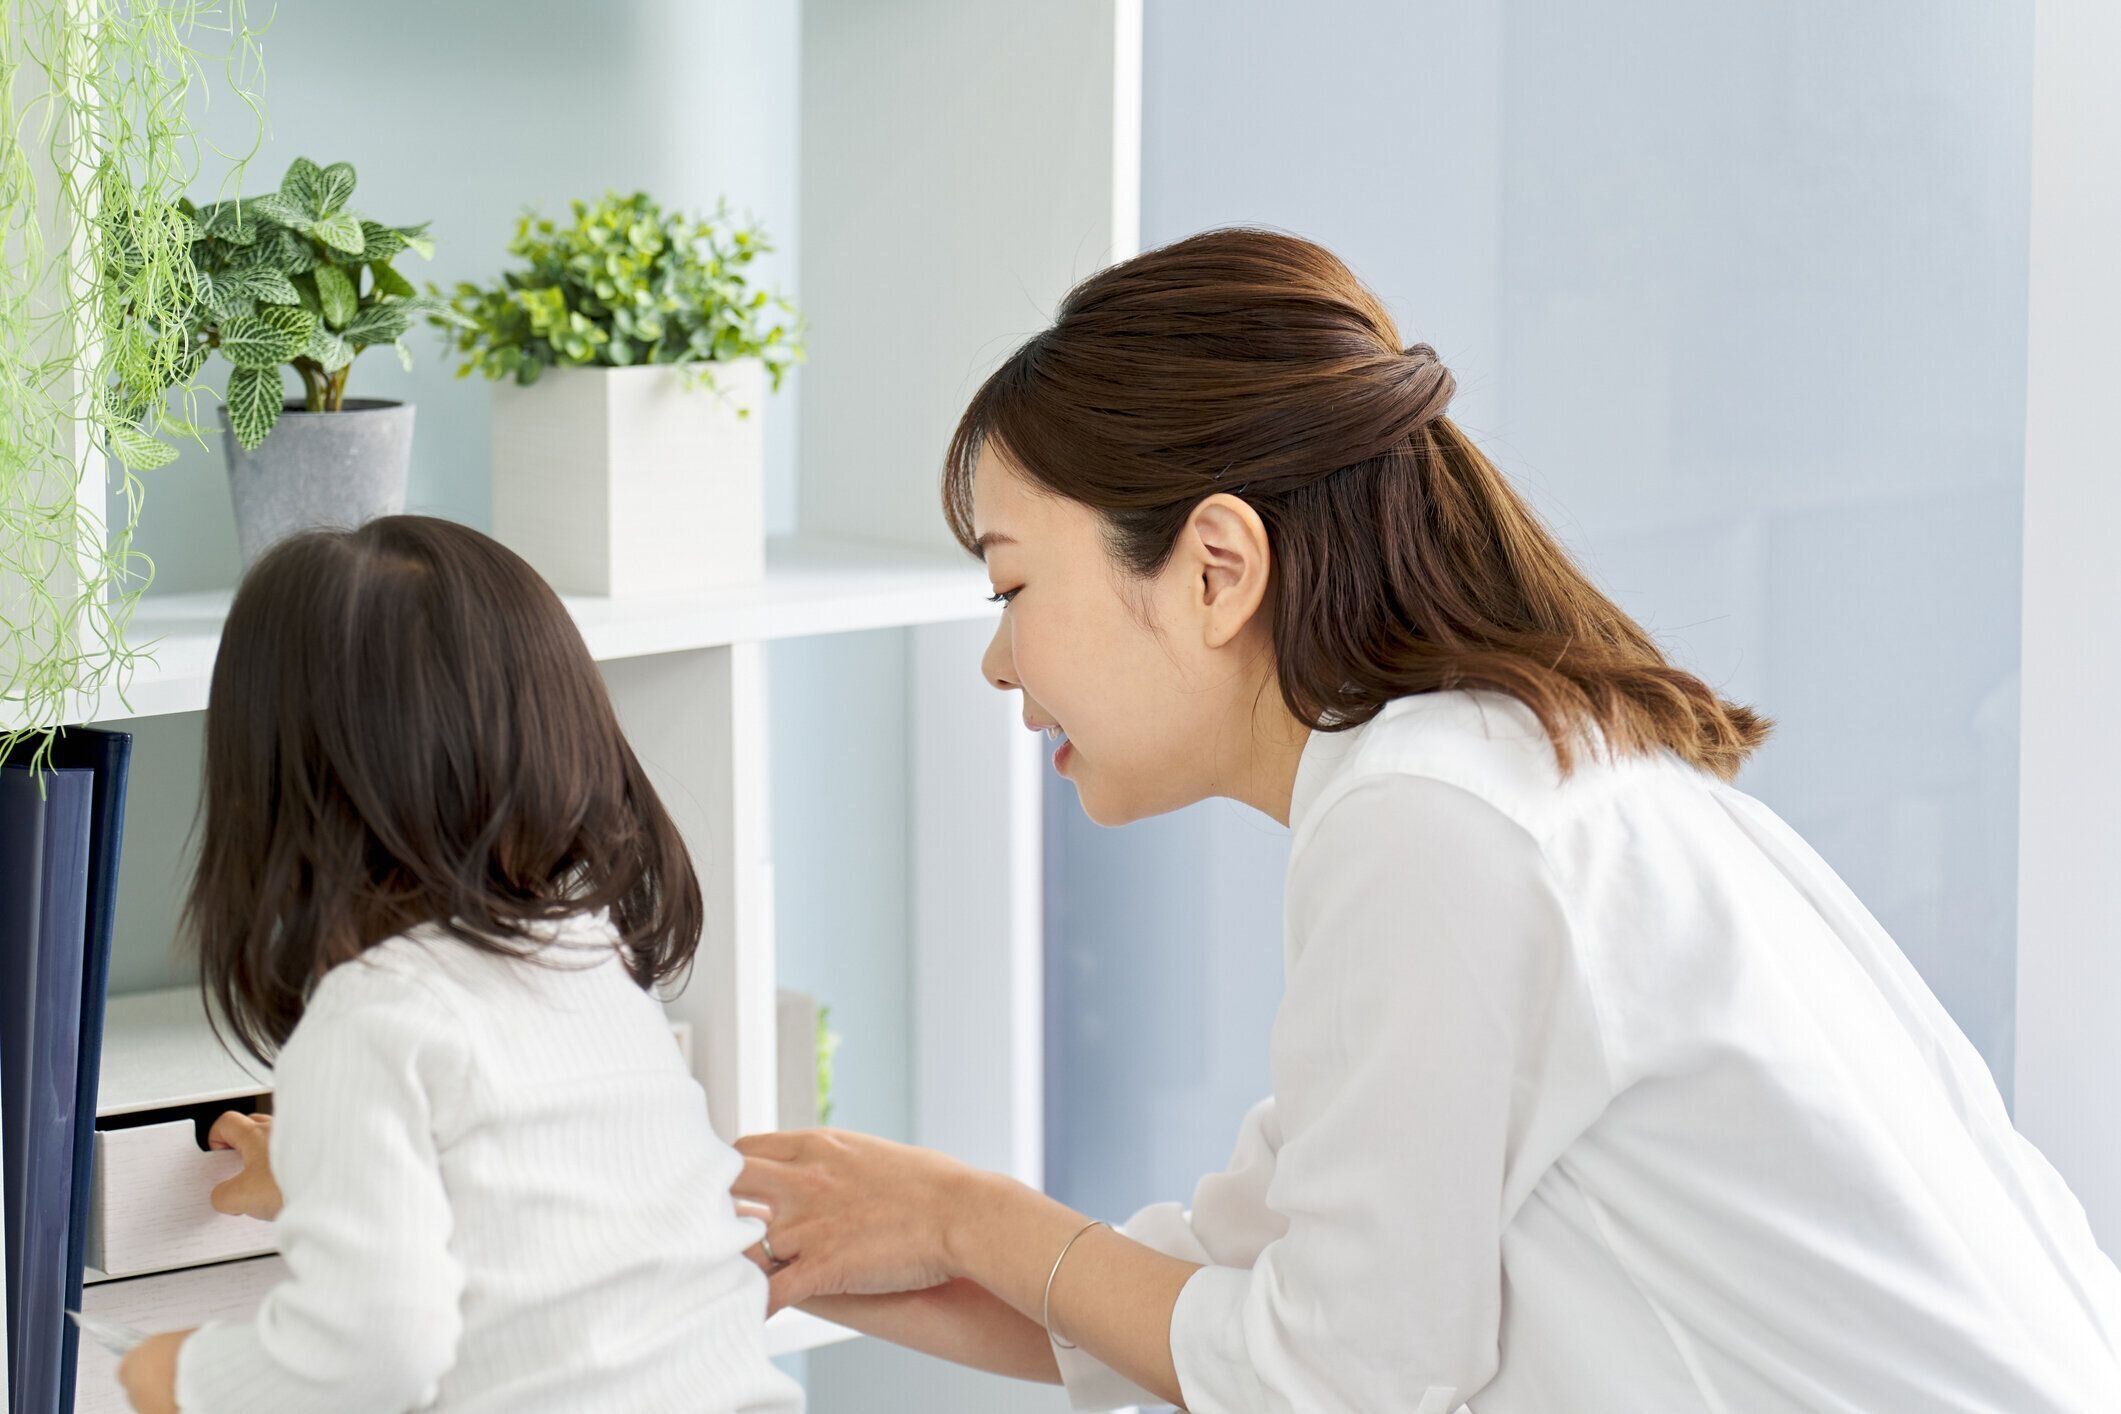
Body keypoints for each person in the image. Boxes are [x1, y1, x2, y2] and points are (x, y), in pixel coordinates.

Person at [729, 229, 2121, 1412]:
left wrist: (969, 1212)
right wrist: (824, 1244)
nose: (998, 664)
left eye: (1011, 590)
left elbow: (1334, 1380)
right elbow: (1219, 1301)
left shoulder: (1435, 819)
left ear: (1216, 567)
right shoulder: (1491, 774)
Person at [117, 517, 801, 1414]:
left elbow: (375, 1354)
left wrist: (182, 1378)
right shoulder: (592, 965)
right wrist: (326, 1174)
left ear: (282, 786)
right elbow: (544, 1230)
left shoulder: (368, 1022)